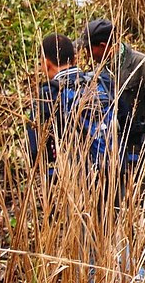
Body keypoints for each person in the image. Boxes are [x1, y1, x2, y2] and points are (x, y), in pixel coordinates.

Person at [76, 19, 145, 262]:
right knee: (116, 204)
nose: (86, 53)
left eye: (89, 48)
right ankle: (125, 257)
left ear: (103, 45)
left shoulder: (140, 65)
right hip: (114, 151)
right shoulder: (96, 72)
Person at [26, 34, 111, 181]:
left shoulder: (48, 93)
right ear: (75, 59)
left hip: (77, 180)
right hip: (114, 169)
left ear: (46, 63)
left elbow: (34, 148)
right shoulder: (101, 81)